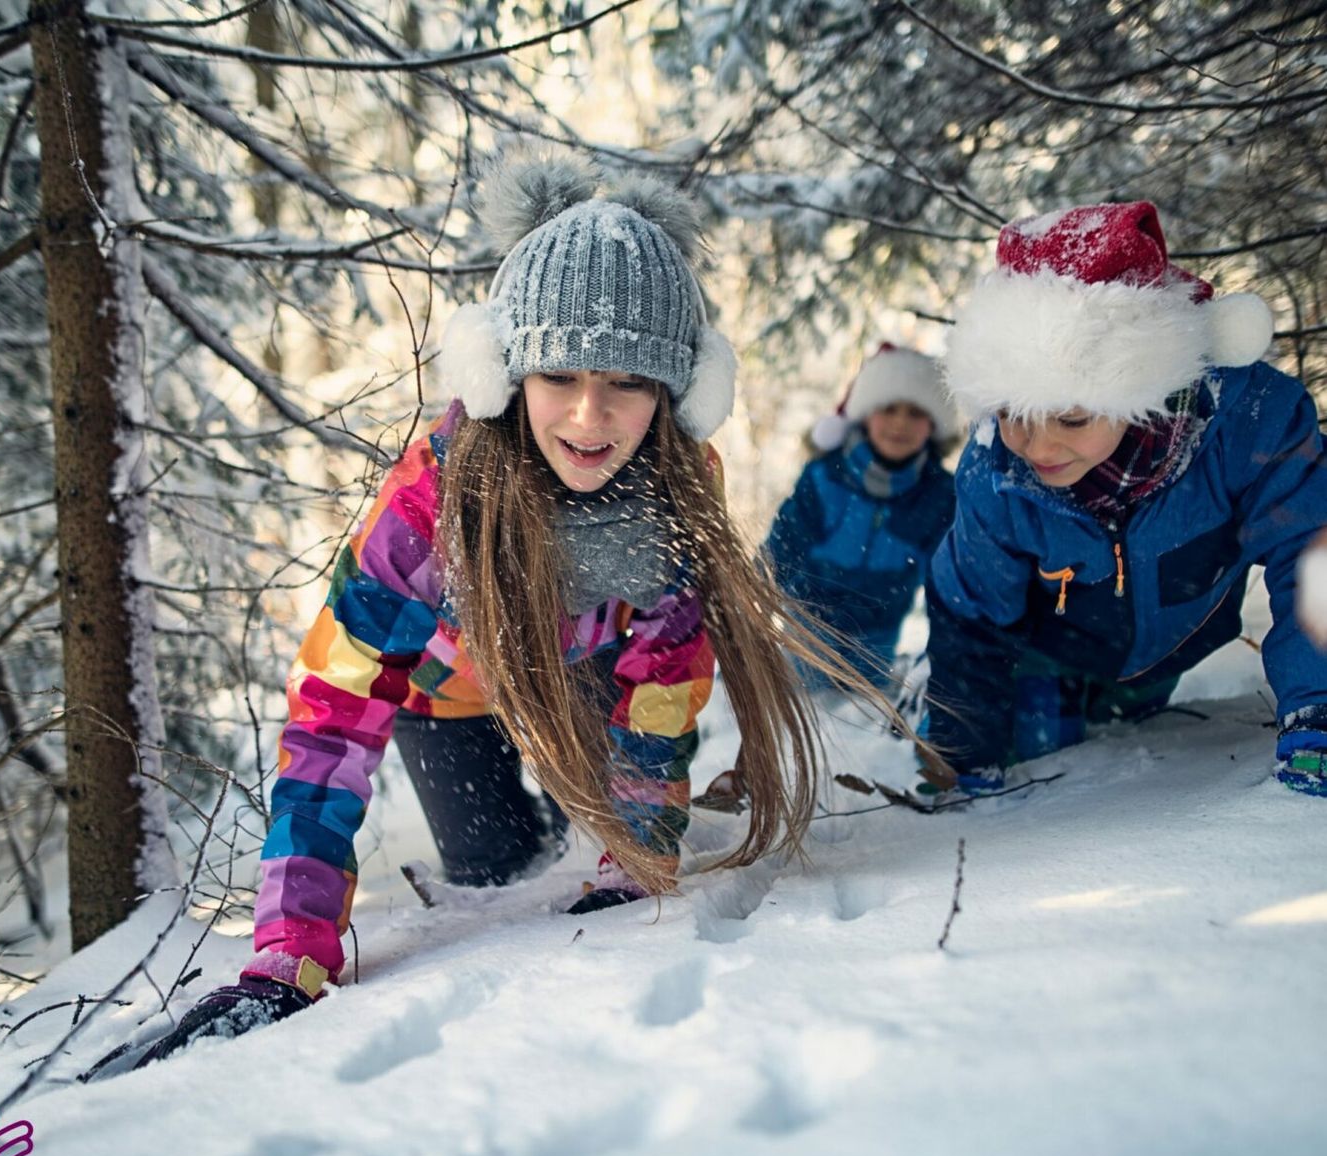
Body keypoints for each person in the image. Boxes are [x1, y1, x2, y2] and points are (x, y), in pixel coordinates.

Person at [137, 150, 902, 1063]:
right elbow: (334, 712)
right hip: (448, 696)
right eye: (558, 376)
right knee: (496, 869)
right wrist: (290, 946)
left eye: (627, 382)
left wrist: (636, 857)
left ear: (674, 393)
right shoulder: (429, 502)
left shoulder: (677, 492)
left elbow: (662, 688)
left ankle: (594, 832)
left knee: (593, 866)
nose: (588, 416)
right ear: (506, 375)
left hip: (585, 681)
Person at [922, 200, 1327, 799]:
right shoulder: (996, 471)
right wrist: (964, 753)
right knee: (1042, 760)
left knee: (1129, 738)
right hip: (1047, 657)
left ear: (1141, 391)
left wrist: (1316, 710)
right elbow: (970, 609)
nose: (1037, 445)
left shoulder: (1250, 426)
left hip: (1171, 649)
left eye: (1071, 418)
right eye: (1011, 412)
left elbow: (1311, 556)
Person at [766, 344, 957, 689]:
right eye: (889, 408)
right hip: (809, 622)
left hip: (878, 631)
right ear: (867, 414)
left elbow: (947, 579)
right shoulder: (826, 476)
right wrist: (753, 602)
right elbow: (784, 545)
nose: (900, 423)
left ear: (933, 425)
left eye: (915, 412)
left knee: (860, 708)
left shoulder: (939, 496)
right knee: (804, 699)